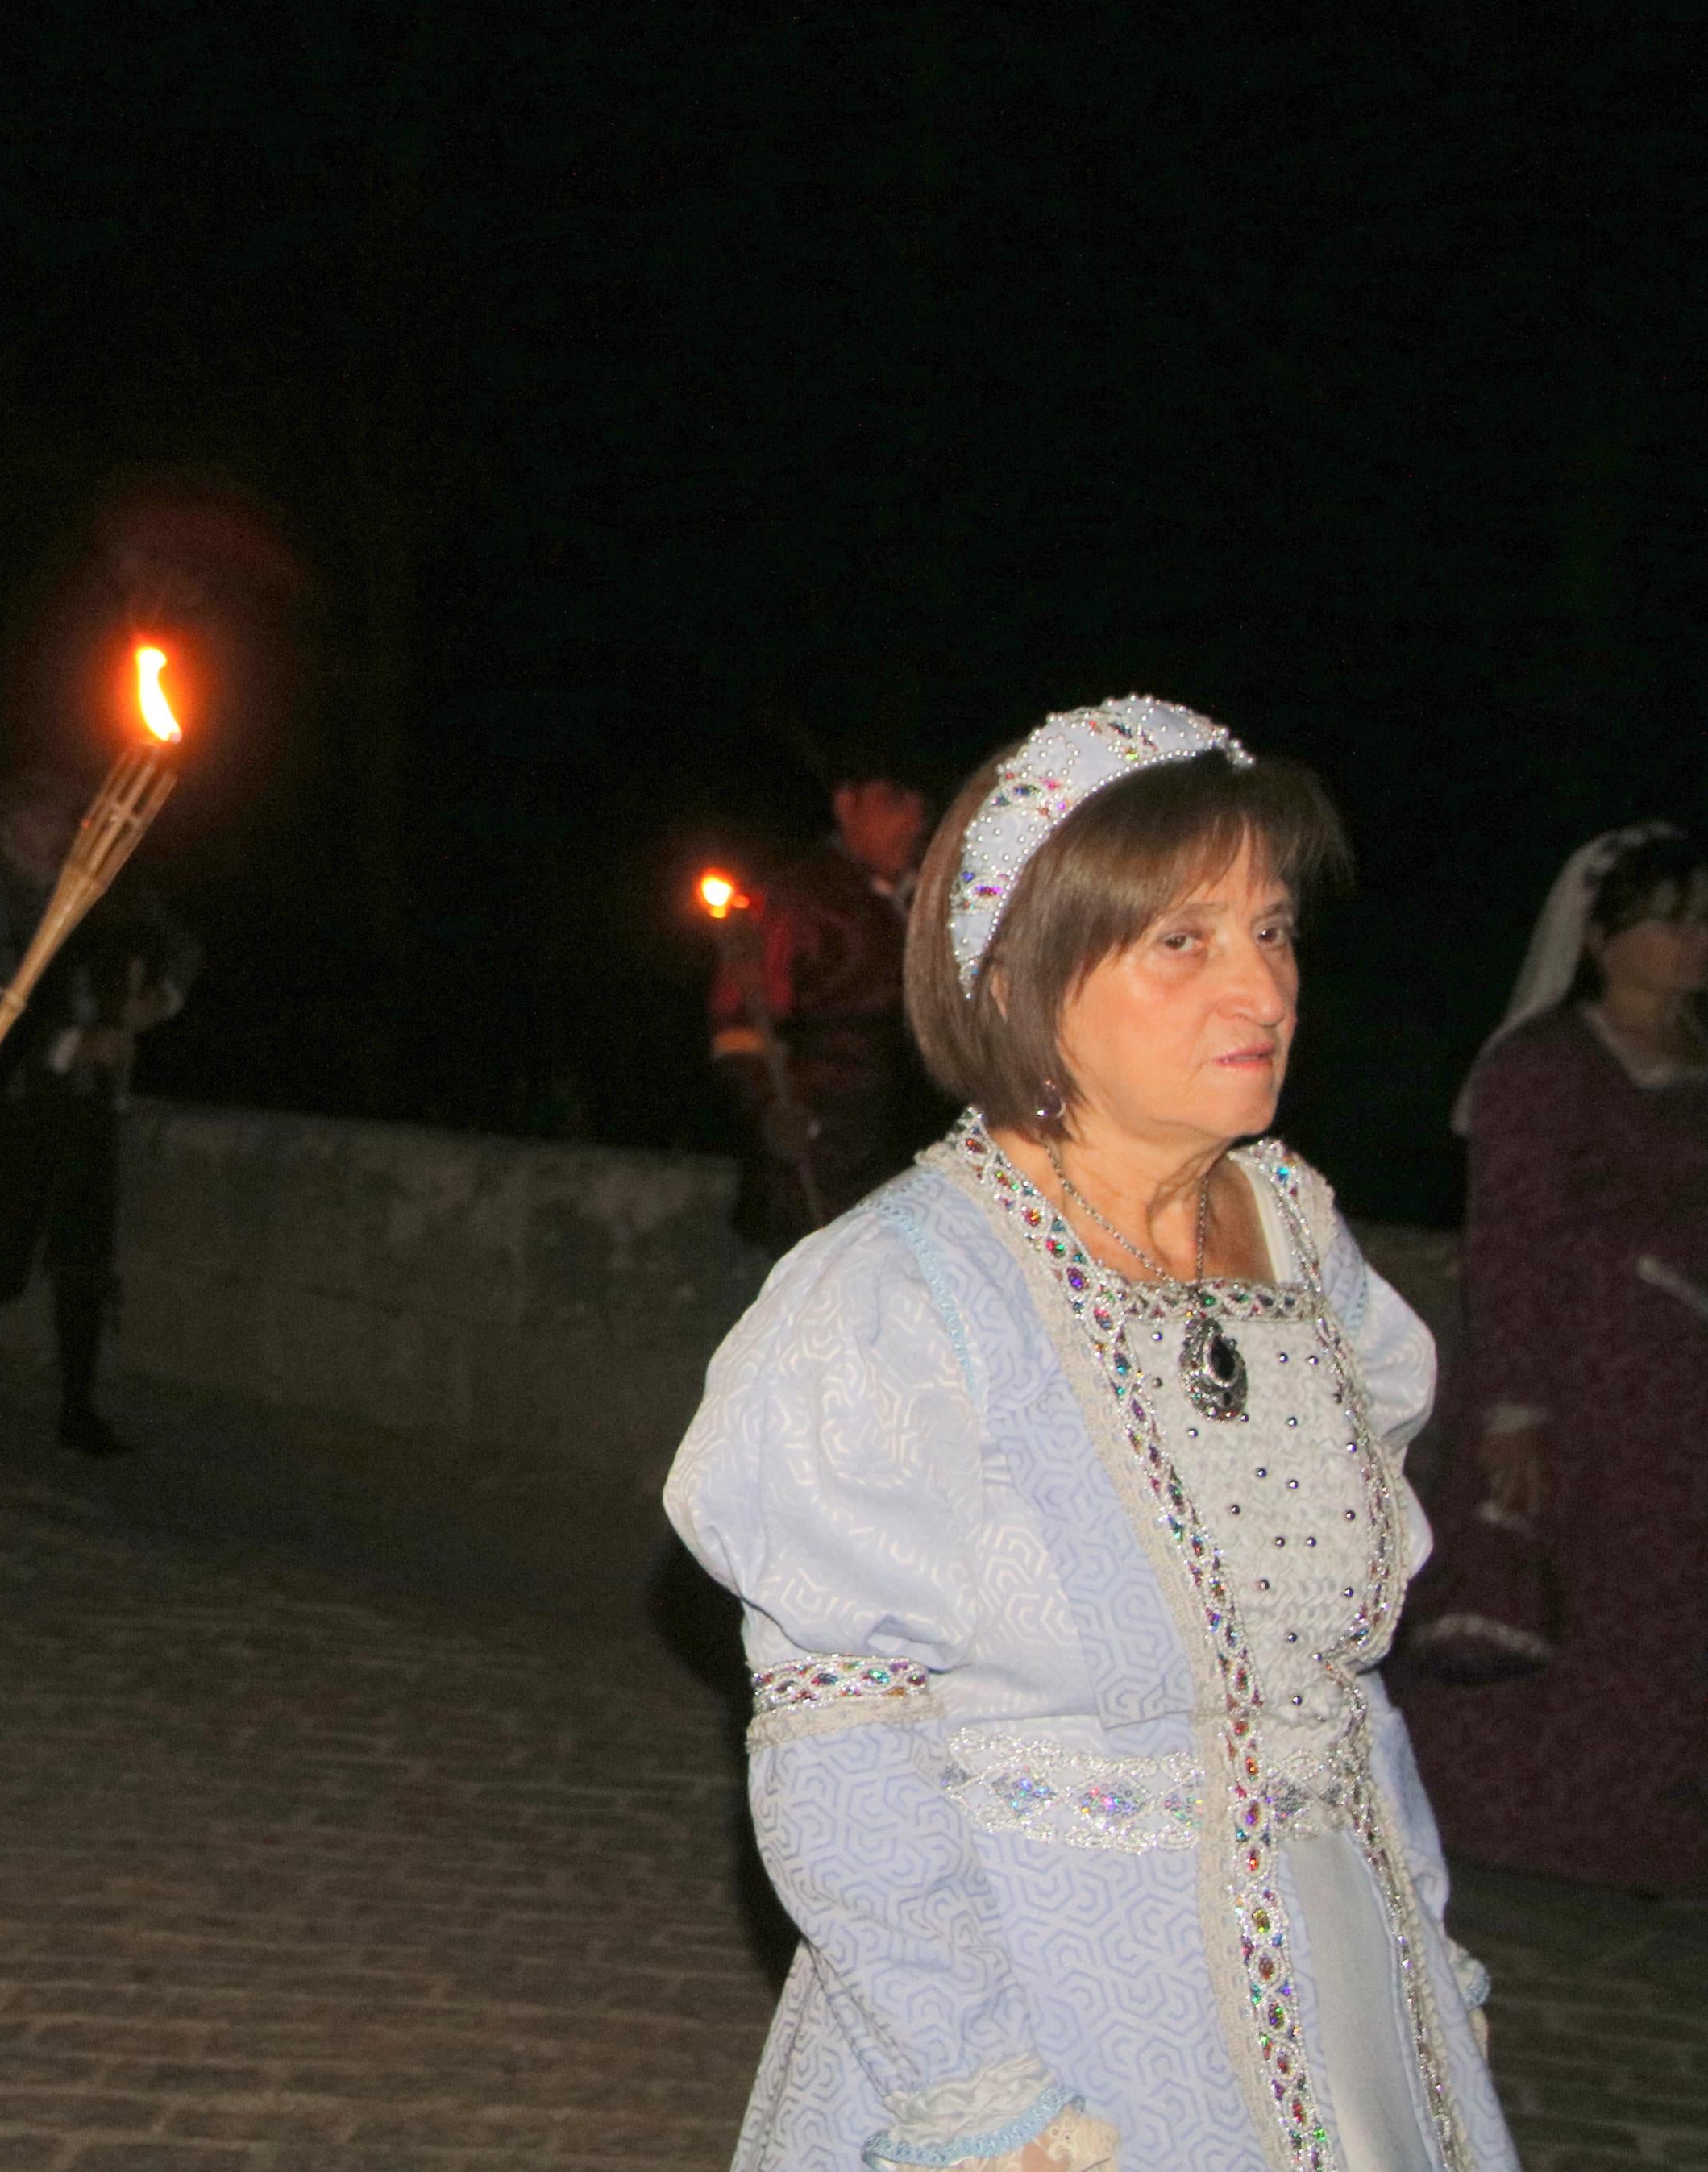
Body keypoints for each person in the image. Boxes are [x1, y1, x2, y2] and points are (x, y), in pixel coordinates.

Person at [667, 696, 1515, 2172]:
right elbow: (842, 1749)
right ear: (1014, 979)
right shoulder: (898, 1297)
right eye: (1179, 942)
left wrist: (1418, 1951)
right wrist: (980, 2090)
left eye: (1269, 930)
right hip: (1048, 2042)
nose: (1257, 989)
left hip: (1350, 2024)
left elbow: (1335, 1693)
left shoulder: (1306, 1251)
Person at [1399, 824, 1708, 1894]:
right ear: (1602, 933)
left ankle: (1629, 1818)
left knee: (1655, 1596)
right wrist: (1512, 1408)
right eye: (1667, 921)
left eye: (1700, 922)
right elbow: (1510, 1237)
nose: (1690, 943)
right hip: (1569, 1375)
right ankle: (1500, 1817)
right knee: (1542, 1568)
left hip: (1674, 1392)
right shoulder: (1543, 1064)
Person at [0, 766, 200, 1456]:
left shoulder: (101, 889)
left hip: (94, 1104)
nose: (65, 833)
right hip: (18, 1103)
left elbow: (183, 946)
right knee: (3, 1264)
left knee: (84, 1260)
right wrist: (73, 1045)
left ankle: (78, 1410)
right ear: (9, 825)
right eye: (48, 819)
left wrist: (154, 1000)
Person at [709, 762, 945, 1248]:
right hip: (824, 1159)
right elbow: (740, 1027)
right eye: (895, 801)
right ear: (847, 805)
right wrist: (782, 1115)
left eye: (922, 805)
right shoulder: (798, 899)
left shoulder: (936, 902)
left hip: (913, 1153)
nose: (915, 820)